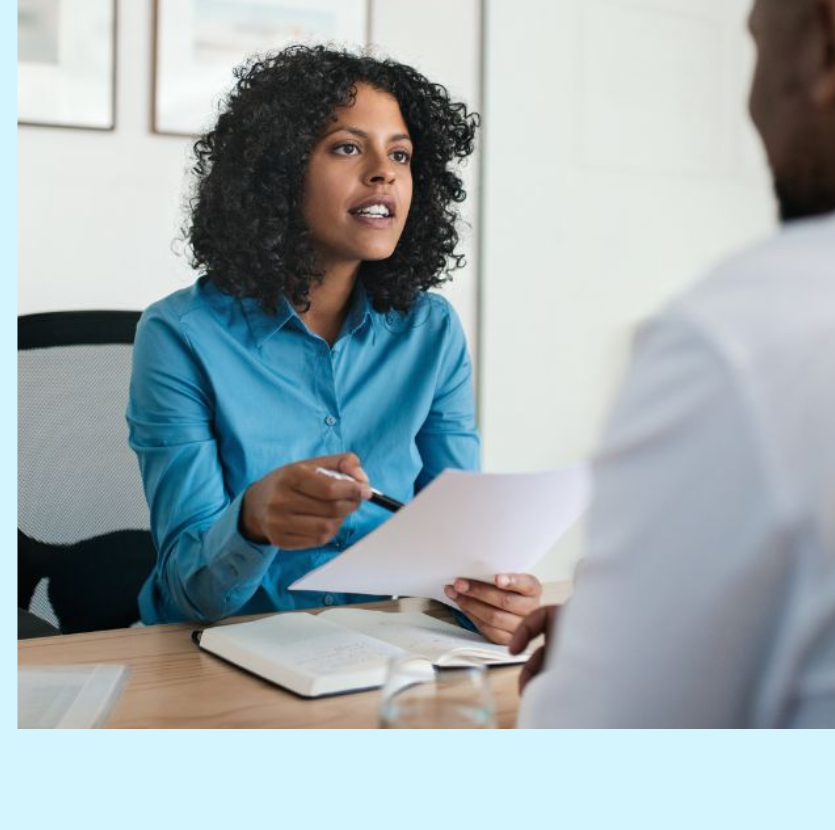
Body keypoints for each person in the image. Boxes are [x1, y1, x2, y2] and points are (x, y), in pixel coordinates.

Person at [511, 0, 835, 727]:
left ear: (829, 45)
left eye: (758, 46)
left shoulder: (752, 341)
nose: (752, 106)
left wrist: (611, 654)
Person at [128, 45, 541, 638]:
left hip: (375, 645)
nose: (385, 172)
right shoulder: (179, 336)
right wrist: (253, 521)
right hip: (214, 654)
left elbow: (458, 544)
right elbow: (189, 591)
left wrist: (488, 599)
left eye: (400, 154)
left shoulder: (431, 331)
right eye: (348, 148)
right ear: (277, 171)